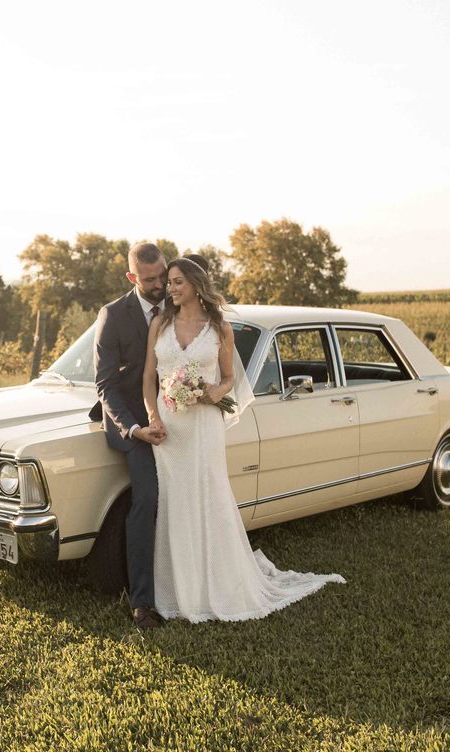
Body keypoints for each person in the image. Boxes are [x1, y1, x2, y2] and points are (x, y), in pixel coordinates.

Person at [143, 258, 345, 622]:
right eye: (169, 283)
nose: (169, 289)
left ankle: (215, 587)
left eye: (175, 282)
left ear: (194, 283)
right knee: (175, 500)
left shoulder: (219, 327)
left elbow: (228, 379)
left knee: (208, 495)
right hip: (168, 428)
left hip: (204, 424)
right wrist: (153, 416)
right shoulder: (160, 323)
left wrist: (211, 393)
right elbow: (148, 379)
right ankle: (179, 591)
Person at [90, 242, 169, 630]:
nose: (160, 285)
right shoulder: (113, 315)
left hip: (177, 418)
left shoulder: (179, 302)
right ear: (132, 277)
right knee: (148, 498)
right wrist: (135, 428)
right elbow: (105, 384)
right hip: (135, 426)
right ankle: (142, 603)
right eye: (150, 279)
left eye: (162, 276)